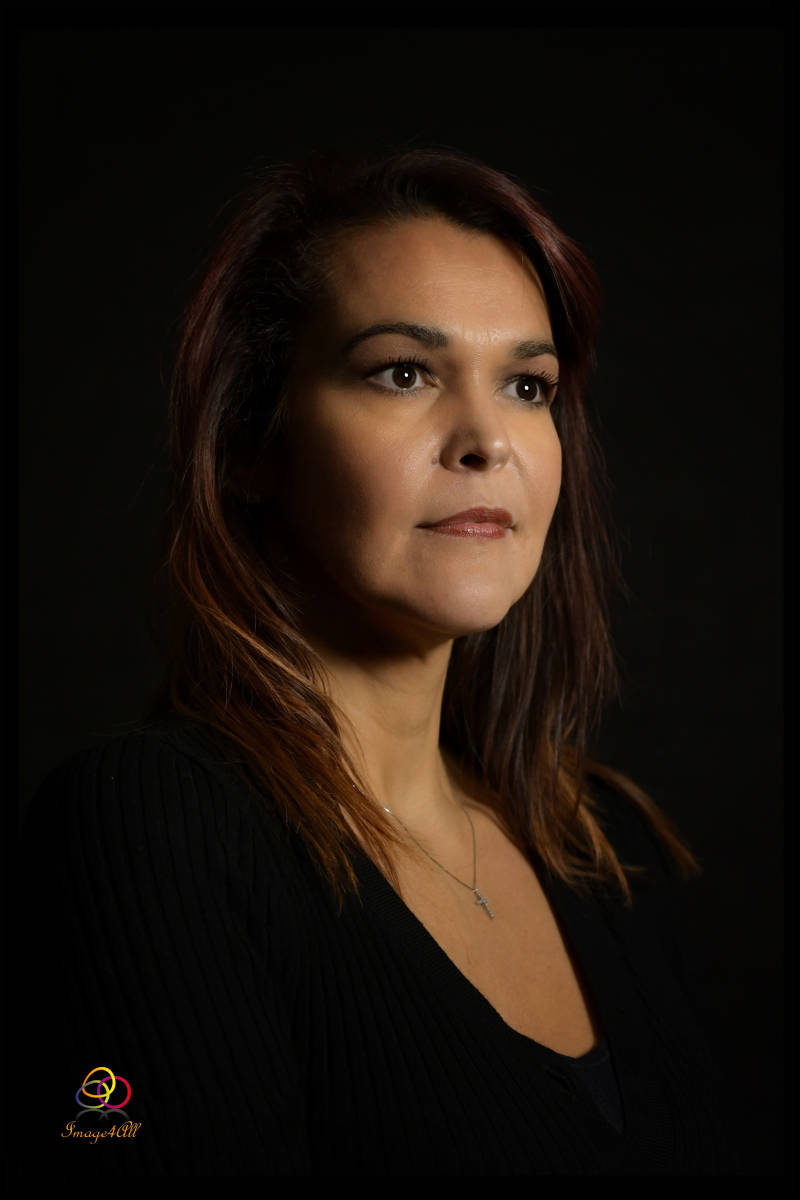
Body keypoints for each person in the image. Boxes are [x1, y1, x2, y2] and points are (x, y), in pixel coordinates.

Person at [19, 146, 733, 1175]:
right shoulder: (152, 829)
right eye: (403, 372)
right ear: (252, 442)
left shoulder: (606, 843)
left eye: (526, 385)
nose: (486, 439)